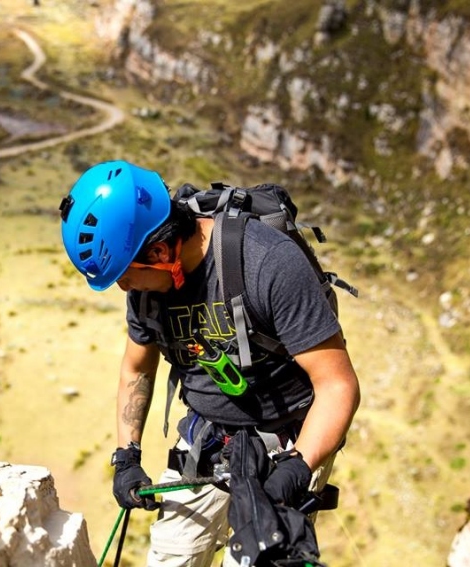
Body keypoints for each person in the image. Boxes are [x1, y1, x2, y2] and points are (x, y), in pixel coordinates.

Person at [58, 160, 361, 566]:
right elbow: (138, 368)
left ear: (161, 250)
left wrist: (297, 469)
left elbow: (337, 386)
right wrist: (126, 455)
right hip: (207, 441)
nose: (121, 286)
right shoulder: (147, 290)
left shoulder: (266, 263)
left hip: (289, 439)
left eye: (124, 275)